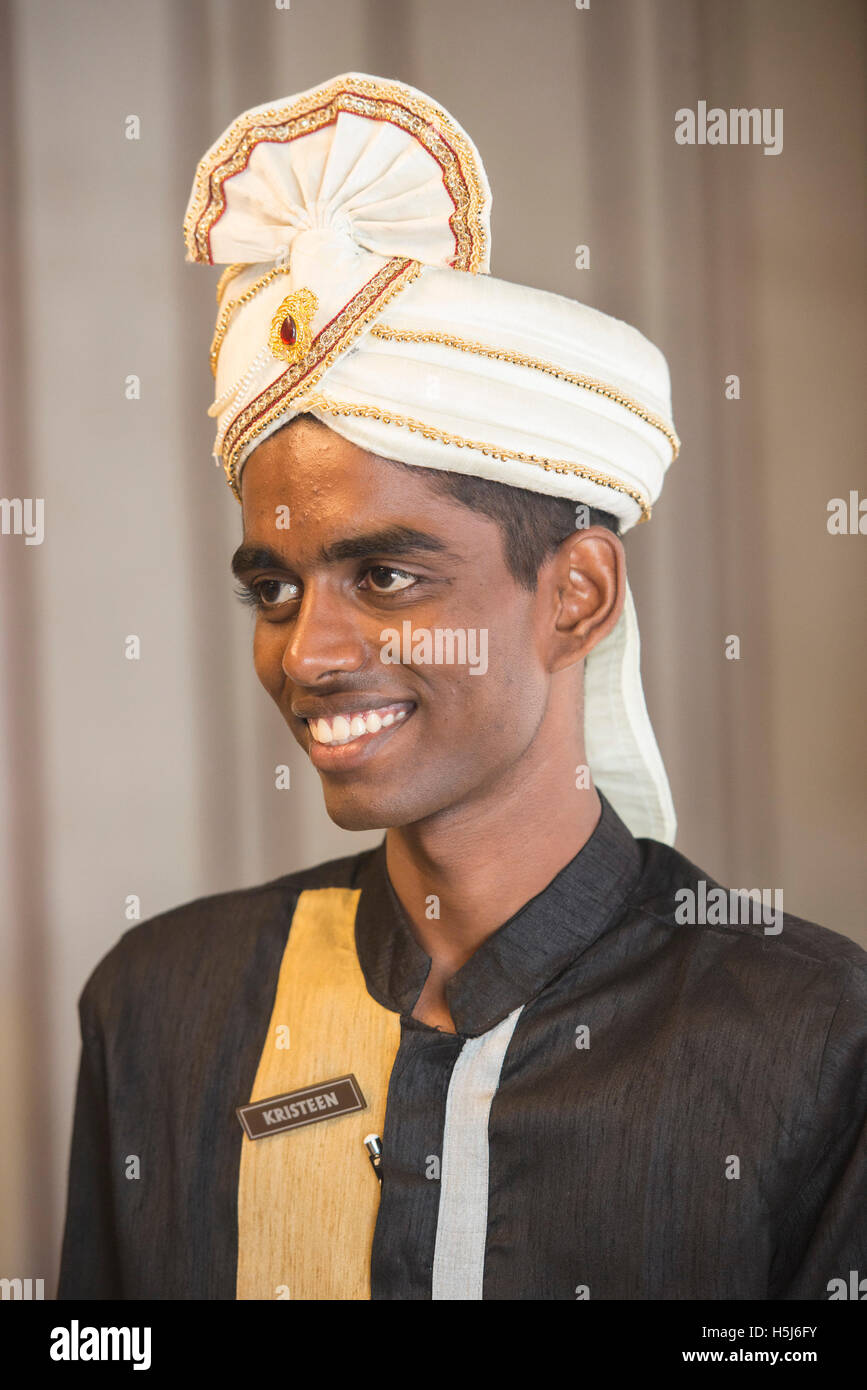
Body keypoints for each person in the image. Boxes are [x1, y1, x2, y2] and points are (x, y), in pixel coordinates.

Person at [57, 73, 866, 1301]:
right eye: (272, 589)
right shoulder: (162, 1006)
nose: (309, 651)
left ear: (576, 595)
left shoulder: (812, 1039)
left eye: (383, 575)